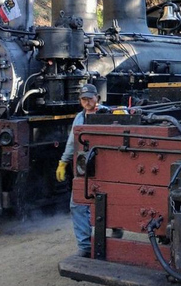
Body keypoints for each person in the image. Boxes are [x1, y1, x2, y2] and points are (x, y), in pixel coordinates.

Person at [56, 83, 103, 258]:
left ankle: (115, 231)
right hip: (85, 167)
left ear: (97, 97)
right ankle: (84, 246)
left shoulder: (107, 113)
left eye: (90, 98)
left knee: (111, 203)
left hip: (106, 166)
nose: (87, 102)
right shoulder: (79, 118)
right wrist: (63, 162)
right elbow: (71, 142)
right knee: (77, 205)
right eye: (84, 99)